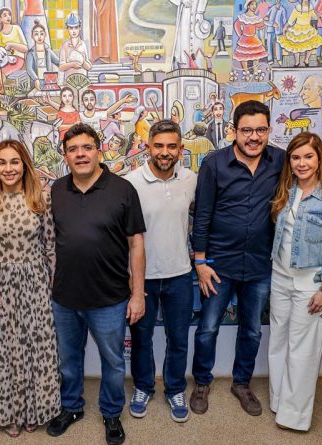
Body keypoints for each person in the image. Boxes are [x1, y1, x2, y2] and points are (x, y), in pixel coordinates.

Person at [46, 123, 146, 445]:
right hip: (65, 298)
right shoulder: (57, 190)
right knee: (68, 360)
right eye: (73, 149)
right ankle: (71, 407)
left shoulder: (122, 189)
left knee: (113, 362)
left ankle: (111, 413)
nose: (80, 154)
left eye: (87, 147)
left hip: (110, 298)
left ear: (98, 151)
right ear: (65, 156)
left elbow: (136, 244)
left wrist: (138, 294)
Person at [190, 100, 285, 416]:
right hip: (219, 264)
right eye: (247, 130)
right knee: (207, 328)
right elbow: (202, 215)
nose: (254, 137)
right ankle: (202, 382)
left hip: (260, 264)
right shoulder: (214, 164)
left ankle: (241, 383)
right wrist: (200, 262)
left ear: (269, 130)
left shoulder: (281, 161)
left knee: (252, 330)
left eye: (260, 130)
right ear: (234, 131)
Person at [0, 140, 60, 437]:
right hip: (0, 284)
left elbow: (50, 245)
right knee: (4, 350)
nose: (8, 168)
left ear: (24, 165)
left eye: (14, 162)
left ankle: (34, 411)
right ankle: (10, 413)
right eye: (2, 162)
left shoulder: (40, 198)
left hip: (35, 281)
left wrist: (53, 285)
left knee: (37, 347)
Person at [268, 132, 322, 431]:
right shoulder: (285, 191)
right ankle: (278, 401)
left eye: (308, 157)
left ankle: (294, 416)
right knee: (278, 342)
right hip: (279, 277)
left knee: (302, 350)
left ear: (319, 159)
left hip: (310, 283)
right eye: (296, 157)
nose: (302, 163)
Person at [124, 121, 197, 423]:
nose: (165, 152)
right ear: (148, 147)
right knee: (141, 339)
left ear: (180, 149)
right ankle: (143, 387)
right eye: (158, 146)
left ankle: (175, 389)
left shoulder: (191, 179)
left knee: (178, 338)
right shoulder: (130, 183)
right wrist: (132, 281)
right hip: (142, 279)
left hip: (180, 275)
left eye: (171, 146)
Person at [278, 0, 322, 67]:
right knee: (296, 46)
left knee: (311, 45)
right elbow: (291, 19)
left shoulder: (310, 8)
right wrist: (285, 27)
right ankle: (297, 62)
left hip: (308, 29)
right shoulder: (298, 8)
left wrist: (320, 15)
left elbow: (315, 17)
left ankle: (306, 60)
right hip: (297, 29)